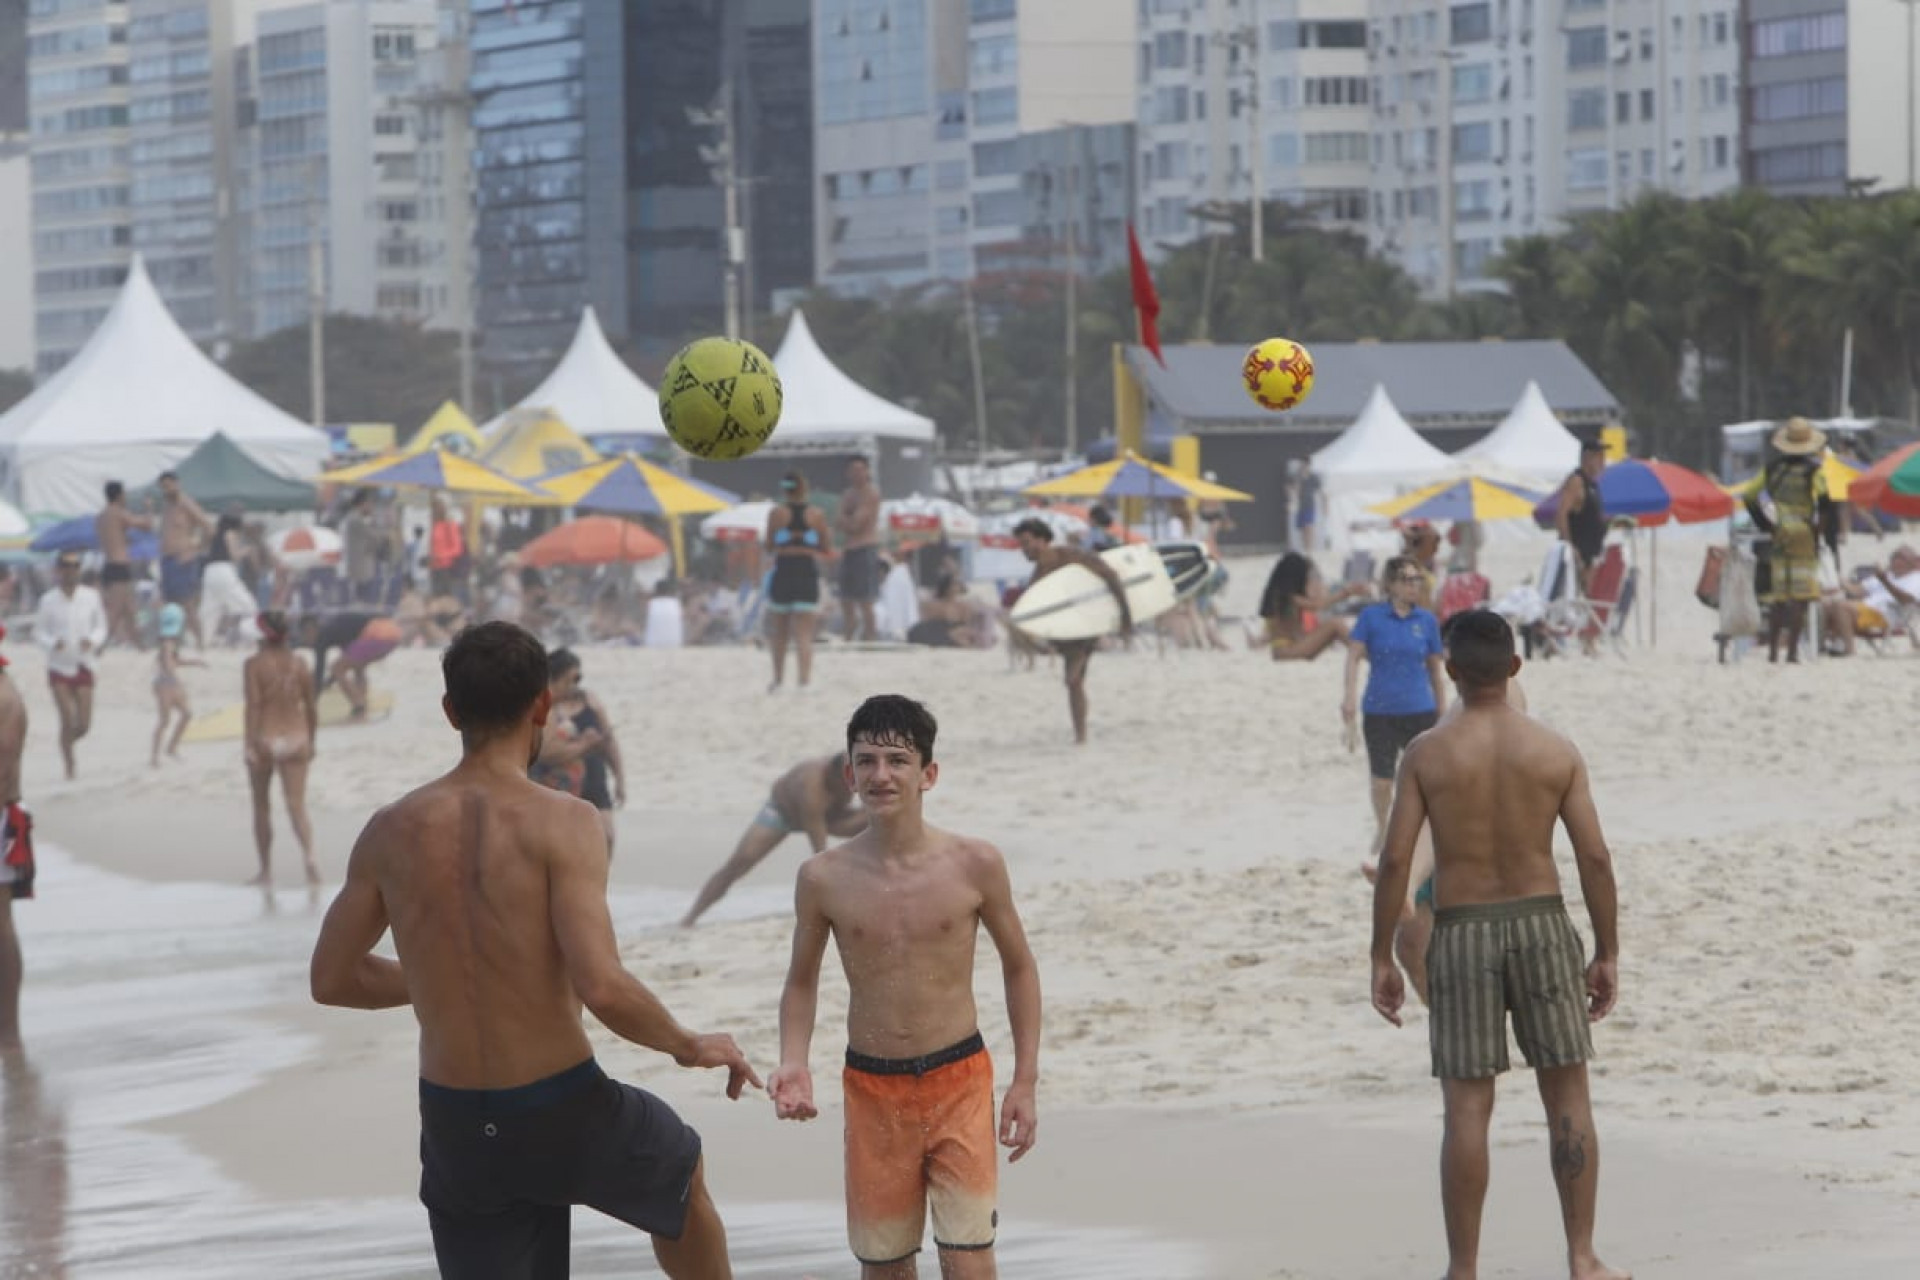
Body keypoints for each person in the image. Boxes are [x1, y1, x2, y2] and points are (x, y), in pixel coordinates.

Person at [309, 621, 759, 1278]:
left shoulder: (389, 831)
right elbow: (601, 986)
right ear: (543, 705)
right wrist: (689, 1044)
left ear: (450, 711)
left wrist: (446, 976)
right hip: (564, 1108)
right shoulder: (564, 820)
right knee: (676, 1170)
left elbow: (331, 979)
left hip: (456, 1121)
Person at [1368, 610, 1626, 1280]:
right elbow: (1594, 858)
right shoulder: (1555, 750)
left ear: (1450, 672)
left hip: (1462, 931)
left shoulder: (1426, 753)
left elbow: (1396, 863)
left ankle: (1464, 1269)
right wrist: (1606, 950)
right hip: (1542, 925)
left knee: (1467, 1108)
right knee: (1568, 1096)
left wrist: (1379, 957)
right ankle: (1582, 1257)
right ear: (1515, 669)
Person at [770, 696, 1040, 1278]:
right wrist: (794, 1061)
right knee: (885, 1265)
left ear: (928, 775)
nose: (881, 775)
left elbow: (1019, 966)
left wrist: (1025, 1079)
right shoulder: (823, 877)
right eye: (866, 761)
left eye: (897, 760)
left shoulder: (975, 863)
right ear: (849, 774)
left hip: (960, 1080)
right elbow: (800, 982)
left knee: (969, 1263)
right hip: (872, 1087)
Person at [680, 753, 868, 928]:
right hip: (782, 814)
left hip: (830, 816)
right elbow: (819, 850)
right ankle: (690, 917)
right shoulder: (811, 784)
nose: (851, 788)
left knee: (877, 824)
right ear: (832, 773)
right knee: (739, 862)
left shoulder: (857, 775)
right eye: (846, 782)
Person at [1342, 555, 1446, 840]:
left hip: (1420, 709)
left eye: (1417, 580)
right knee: (1381, 781)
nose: (1413, 586)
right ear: (1390, 585)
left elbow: (1436, 669)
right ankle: (1383, 827)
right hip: (1379, 709)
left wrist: (1443, 711)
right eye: (1406, 580)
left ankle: (1422, 833)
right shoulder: (1372, 617)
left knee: (1424, 778)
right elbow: (1352, 657)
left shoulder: (1426, 621)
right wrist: (1349, 697)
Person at [1012, 517, 1131, 745]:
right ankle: (1080, 735)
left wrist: (1125, 615)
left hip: (1088, 625)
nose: (1024, 550)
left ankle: (1081, 736)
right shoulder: (1037, 577)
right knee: (1074, 682)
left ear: (1043, 539)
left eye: (1027, 543)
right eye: (1021, 545)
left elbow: (1109, 574)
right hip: (1066, 636)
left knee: (1073, 680)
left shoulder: (1069, 555)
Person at [1746, 417, 1837, 664]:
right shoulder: (1814, 470)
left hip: (1780, 531)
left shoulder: (1772, 469)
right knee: (1801, 596)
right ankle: (1793, 653)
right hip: (1804, 532)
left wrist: (1766, 524)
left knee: (1779, 596)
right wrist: (1819, 530)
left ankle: (1774, 652)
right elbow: (1826, 502)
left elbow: (1749, 495)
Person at [244, 611, 319, 886]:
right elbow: (311, 706)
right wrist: (312, 740)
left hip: (267, 736)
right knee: (296, 805)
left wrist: (249, 743)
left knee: (262, 805)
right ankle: (310, 858)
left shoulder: (254, 664)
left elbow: (254, 705)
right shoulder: (300, 663)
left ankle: (265, 870)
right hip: (297, 736)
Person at [542, 649, 626, 855]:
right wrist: (584, 744)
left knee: (607, 836)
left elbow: (609, 742)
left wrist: (619, 779)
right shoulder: (546, 707)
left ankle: (600, 885)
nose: (575, 685)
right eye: (571, 679)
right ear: (555, 678)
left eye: (578, 678)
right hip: (558, 778)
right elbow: (546, 752)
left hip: (594, 773)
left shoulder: (590, 700)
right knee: (564, 841)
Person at [34, 552, 108, 781]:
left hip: (84, 662)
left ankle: (65, 744)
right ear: (58, 570)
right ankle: (69, 765)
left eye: (75, 566)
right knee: (66, 717)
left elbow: (101, 627)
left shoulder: (91, 597)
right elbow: (38, 632)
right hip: (58, 665)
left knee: (83, 724)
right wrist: (51, 643)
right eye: (66, 566)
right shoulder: (48, 600)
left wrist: (93, 641)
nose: (71, 570)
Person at [765, 472, 833, 692]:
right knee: (804, 633)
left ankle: (778, 681)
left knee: (780, 631)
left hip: (784, 568)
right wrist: (806, 541)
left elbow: (768, 545)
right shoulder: (816, 514)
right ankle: (804, 682)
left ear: (785, 489)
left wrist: (787, 540)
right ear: (805, 488)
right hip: (805, 569)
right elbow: (825, 546)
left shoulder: (776, 513)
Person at [0, 631, 30, 1053]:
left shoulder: (6, 698)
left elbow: (4, 763)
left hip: (2, 814)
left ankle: (8, 1031)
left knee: (2, 925)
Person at [1257, 551, 1365, 661]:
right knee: (1335, 624)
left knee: (1334, 627)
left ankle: (1363, 651)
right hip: (1288, 651)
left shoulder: (1276, 594)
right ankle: (1366, 653)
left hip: (1290, 649)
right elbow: (1317, 605)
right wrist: (1345, 593)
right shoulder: (1286, 597)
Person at [302, 609, 401, 719]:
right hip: (393, 632)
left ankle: (359, 707)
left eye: (304, 635)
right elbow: (349, 658)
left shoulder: (321, 637)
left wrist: (311, 705)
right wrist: (329, 682)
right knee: (358, 667)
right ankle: (363, 702)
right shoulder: (333, 627)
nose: (305, 640)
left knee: (336, 667)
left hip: (377, 635)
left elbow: (319, 673)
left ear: (310, 630)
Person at [158, 470, 214, 647]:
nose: (167, 490)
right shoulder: (167, 507)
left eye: (169, 485)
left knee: (188, 603)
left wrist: (195, 548)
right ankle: (175, 641)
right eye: (164, 487)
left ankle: (200, 641)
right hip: (167, 559)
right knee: (170, 604)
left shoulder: (186, 503)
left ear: (177, 484)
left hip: (183, 559)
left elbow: (209, 527)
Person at [94, 480, 152, 649]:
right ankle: (100, 646)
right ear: (119, 495)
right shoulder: (118, 513)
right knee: (116, 610)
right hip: (120, 565)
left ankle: (141, 646)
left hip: (109, 564)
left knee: (129, 609)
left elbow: (112, 538)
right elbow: (147, 525)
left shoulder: (101, 516)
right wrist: (148, 508)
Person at [150, 603, 203, 767]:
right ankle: (156, 756)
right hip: (166, 684)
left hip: (166, 682)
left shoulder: (168, 641)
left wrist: (193, 663)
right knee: (166, 720)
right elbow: (168, 663)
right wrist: (177, 682)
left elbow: (172, 661)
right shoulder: (168, 643)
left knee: (185, 714)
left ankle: (170, 748)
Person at [1555, 439, 1609, 595]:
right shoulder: (1576, 481)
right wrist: (1570, 548)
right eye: (1599, 457)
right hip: (1578, 559)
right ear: (1587, 458)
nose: (1603, 462)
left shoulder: (1593, 485)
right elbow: (1561, 515)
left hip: (1591, 557)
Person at [202, 507, 263, 644]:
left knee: (210, 611)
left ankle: (204, 642)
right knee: (249, 606)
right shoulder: (231, 533)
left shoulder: (215, 533)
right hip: (224, 570)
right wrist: (247, 550)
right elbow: (234, 556)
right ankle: (253, 639)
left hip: (209, 571)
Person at [837, 456, 882, 642]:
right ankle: (849, 634)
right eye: (853, 470)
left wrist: (846, 520)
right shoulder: (848, 494)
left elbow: (857, 524)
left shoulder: (870, 493)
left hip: (865, 547)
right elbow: (840, 522)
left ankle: (870, 636)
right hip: (849, 549)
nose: (857, 474)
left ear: (867, 471)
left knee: (865, 600)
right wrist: (847, 520)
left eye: (860, 469)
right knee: (846, 598)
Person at [341, 489, 392, 607]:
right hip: (360, 571)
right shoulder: (355, 520)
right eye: (369, 504)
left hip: (364, 569)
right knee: (363, 602)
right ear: (362, 504)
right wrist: (385, 532)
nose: (371, 507)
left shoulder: (356, 519)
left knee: (365, 601)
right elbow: (374, 536)